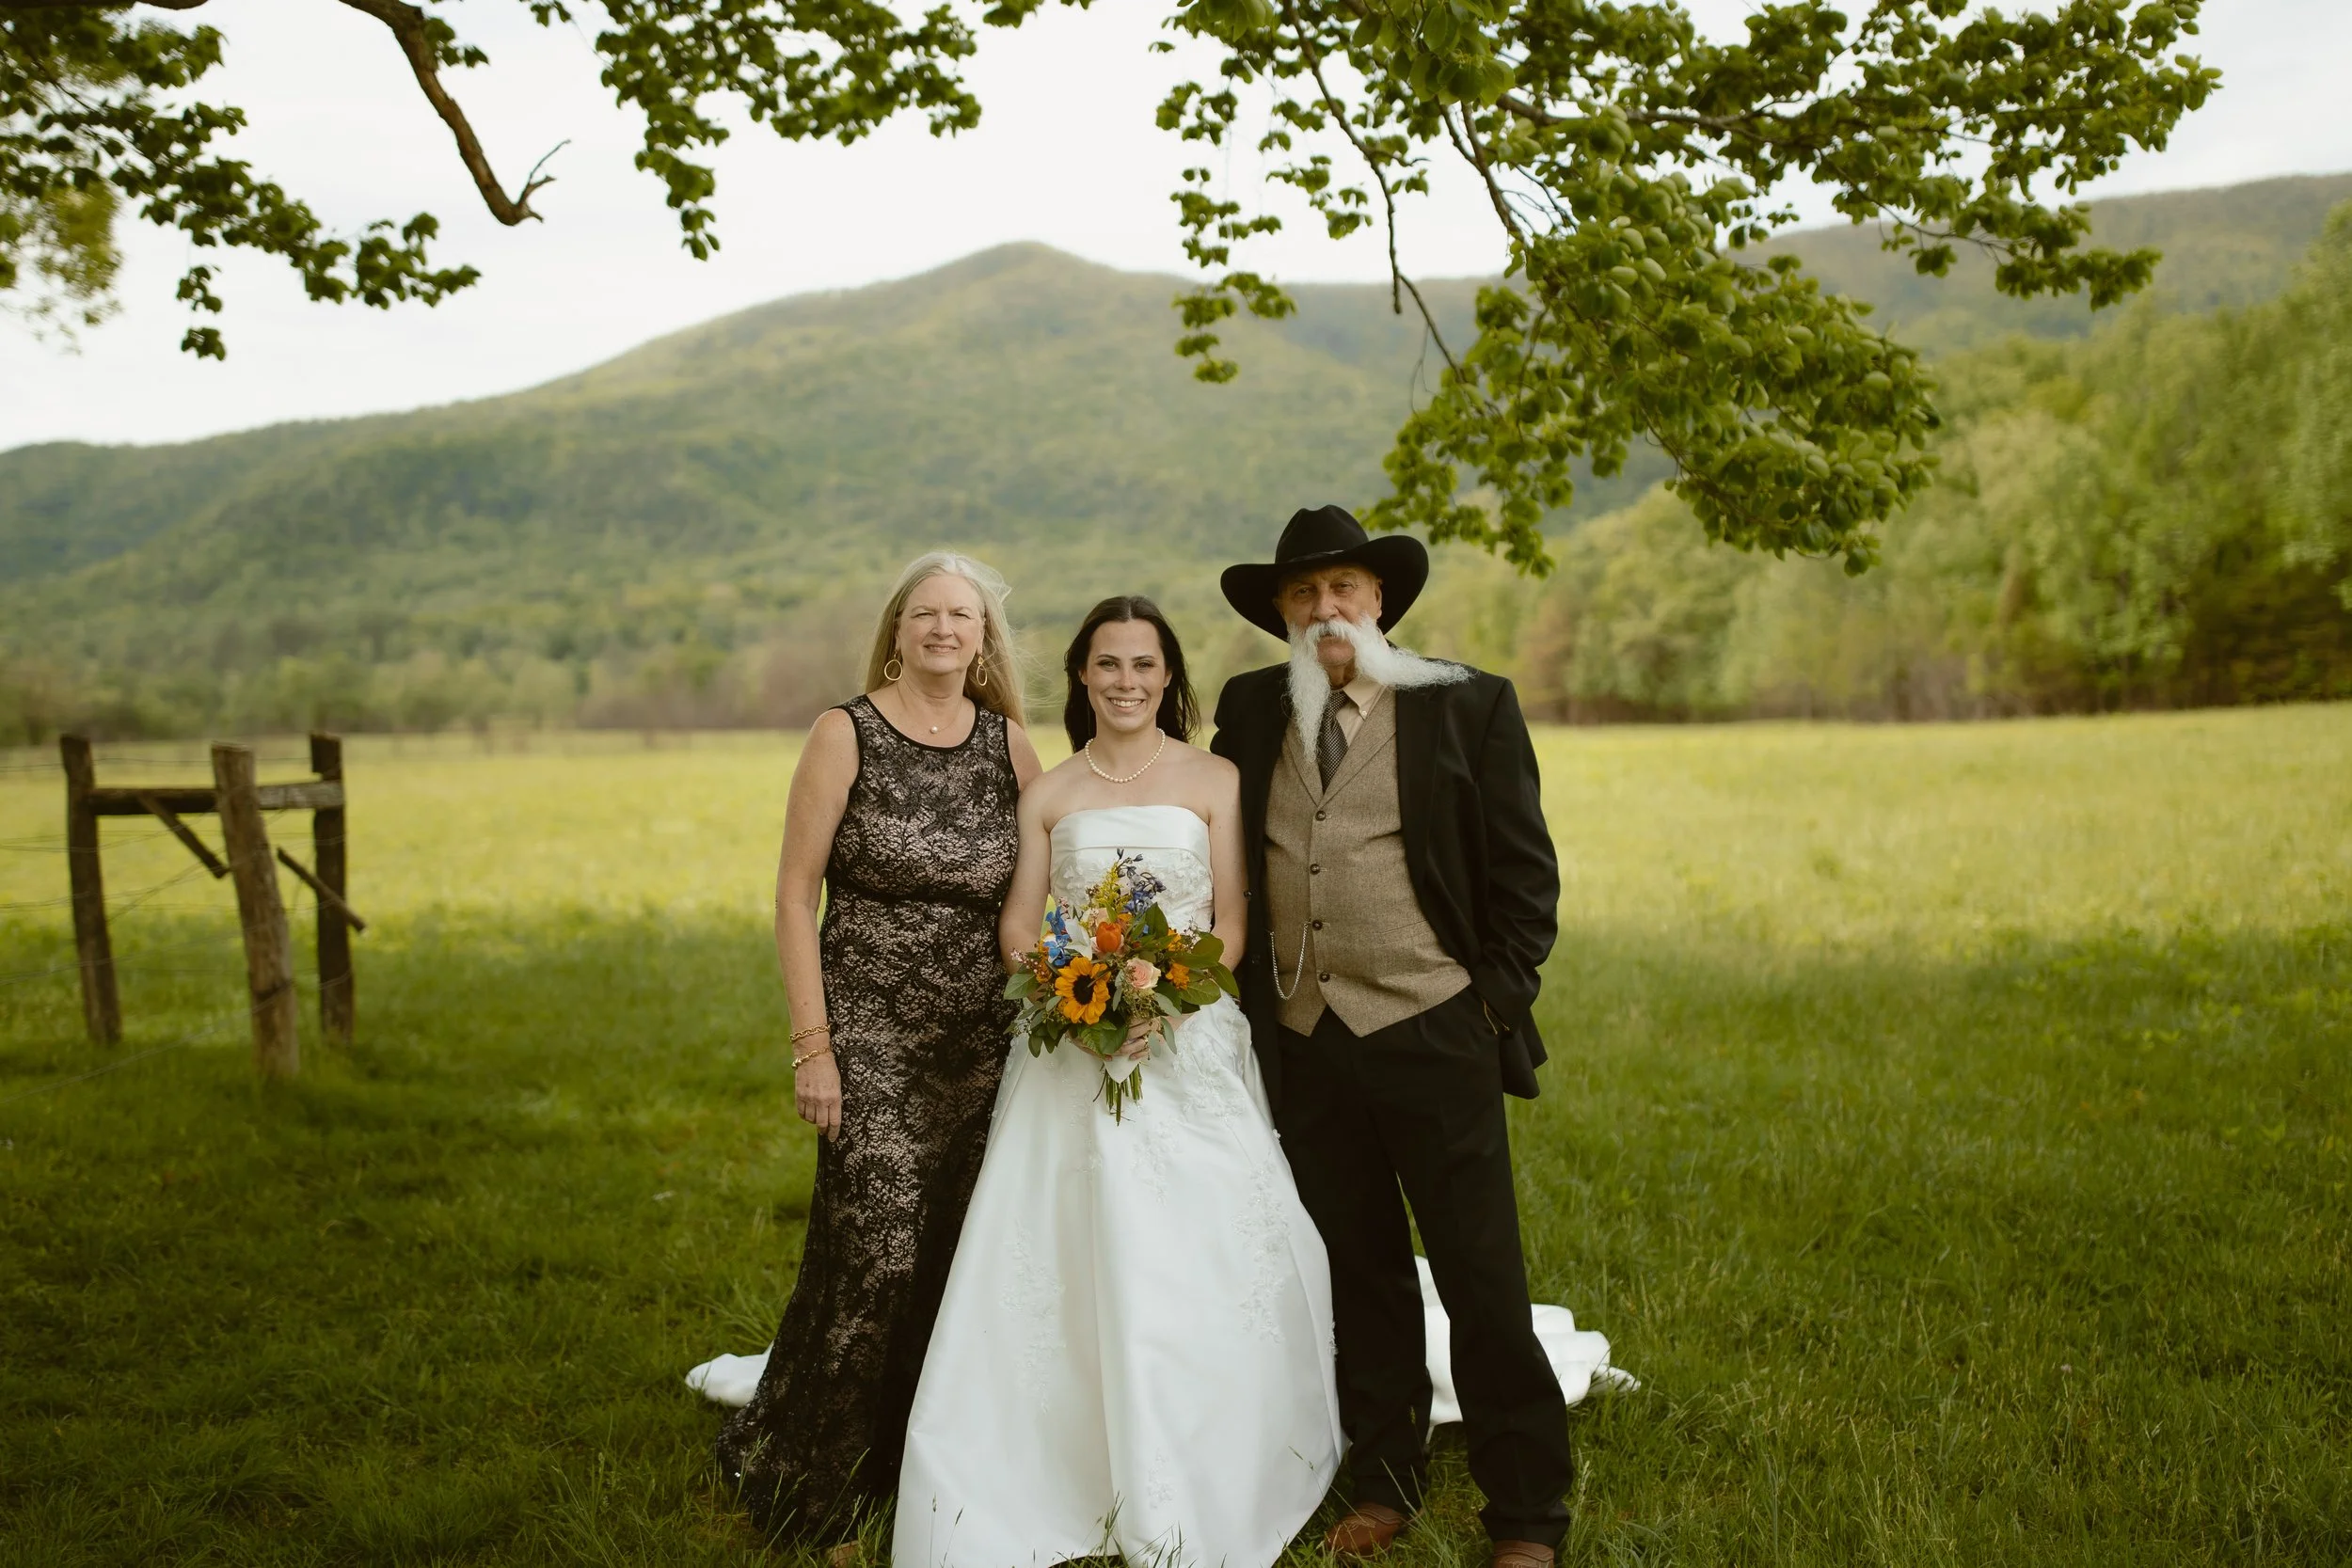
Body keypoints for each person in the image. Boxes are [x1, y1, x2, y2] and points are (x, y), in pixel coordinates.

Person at [891, 595, 1344, 1568]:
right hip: (1068, 1041)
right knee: (1057, 1241)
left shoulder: (1215, 778)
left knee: (1209, 1234)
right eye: (1109, 664)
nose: (1127, 681)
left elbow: (1229, 916)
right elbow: (1019, 922)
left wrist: (1163, 1002)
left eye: (1145, 664)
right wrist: (1072, 999)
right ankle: (1056, 1457)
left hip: (1189, 1037)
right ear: (1083, 677)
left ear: (1168, 677)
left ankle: (1224, 1437)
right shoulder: (1049, 793)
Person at [1208, 506, 1575, 1568]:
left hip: (1433, 1029)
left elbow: (1525, 877)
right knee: (1356, 1271)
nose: (1326, 608)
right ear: (1281, 614)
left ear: (1380, 603)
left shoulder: (1467, 703)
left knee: (1478, 1272)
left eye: (1344, 591)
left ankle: (1525, 1512)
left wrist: (1487, 1007)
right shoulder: (1248, 708)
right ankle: (1383, 1476)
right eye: (1302, 595)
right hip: (1304, 1035)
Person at [712, 550, 1043, 1549]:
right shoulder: (843, 731)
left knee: (953, 1254)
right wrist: (814, 1046)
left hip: (982, 1038)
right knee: (878, 1245)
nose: (944, 629)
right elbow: (791, 895)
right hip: (868, 1027)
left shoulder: (1012, 747)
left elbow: (1045, 890)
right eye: (925, 613)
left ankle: (922, 1465)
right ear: (897, 629)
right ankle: (811, 1476)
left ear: (984, 638)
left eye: (963, 615)